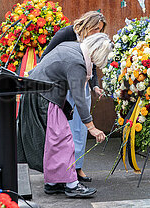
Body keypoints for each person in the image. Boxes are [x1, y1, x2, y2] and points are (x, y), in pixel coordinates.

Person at [17, 33, 113, 197]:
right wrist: (92, 128)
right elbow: (79, 98)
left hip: (37, 93)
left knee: (55, 141)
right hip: (44, 96)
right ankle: (72, 185)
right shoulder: (77, 63)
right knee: (63, 141)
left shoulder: (72, 47)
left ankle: (53, 183)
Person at [40, 11, 106, 182]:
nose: (97, 33)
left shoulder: (92, 42)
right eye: (96, 29)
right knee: (64, 131)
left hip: (81, 85)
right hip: (64, 87)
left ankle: (77, 167)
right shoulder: (66, 33)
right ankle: (64, 170)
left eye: (100, 30)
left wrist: (95, 85)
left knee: (80, 130)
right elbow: (46, 56)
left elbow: (92, 63)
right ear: (87, 25)